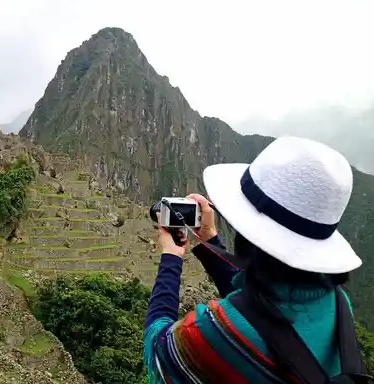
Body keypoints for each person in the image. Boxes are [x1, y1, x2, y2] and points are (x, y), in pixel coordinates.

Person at [143, 136, 365, 383]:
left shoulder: (212, 333)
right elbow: (261, 308)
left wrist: (171, 258)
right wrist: (208, 240)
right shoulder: (337, 302)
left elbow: (158, 349)